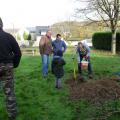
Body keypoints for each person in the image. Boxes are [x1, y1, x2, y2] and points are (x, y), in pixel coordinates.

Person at [0, 18, 22, 120]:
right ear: (2, 25)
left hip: (6, 66)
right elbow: (18, 52)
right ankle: (12, 115)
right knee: (9, 92)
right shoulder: (9, 37)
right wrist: (14, 64)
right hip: (7, 67)